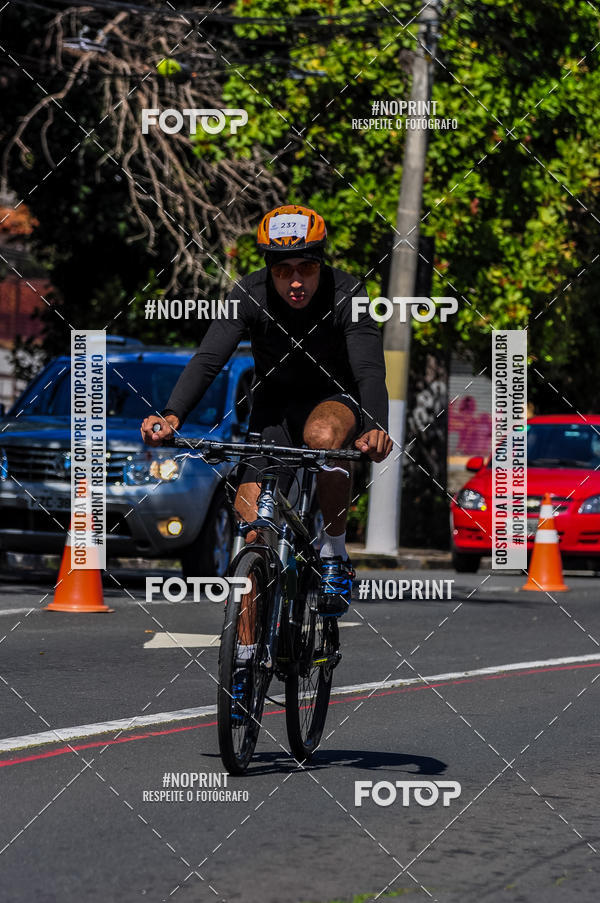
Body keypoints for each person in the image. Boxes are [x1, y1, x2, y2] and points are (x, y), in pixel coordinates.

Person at [141, 204, 392, 618]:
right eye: (282, 270)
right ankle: (242, 662)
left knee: (323, 438)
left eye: (306, 268)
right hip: (273, 409)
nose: (295, 281)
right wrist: (172, 415)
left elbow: (368, 369)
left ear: (321, 262)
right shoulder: (247, 294)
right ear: (268, 268)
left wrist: (375, 428)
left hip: (335, 400)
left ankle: (333, 554)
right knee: (254, 527)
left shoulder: (349, 294)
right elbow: (208, 359)